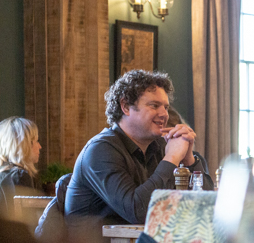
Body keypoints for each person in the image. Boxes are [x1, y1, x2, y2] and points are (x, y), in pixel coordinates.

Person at [65, 70, 205, 229]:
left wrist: (188, 160)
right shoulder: (100, 150)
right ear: (125, 106)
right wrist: (172, 158)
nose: (164, 114)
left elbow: (204, 208)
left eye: (165, 107)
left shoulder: (158, 146)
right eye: (154, 105)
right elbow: (138, 212)